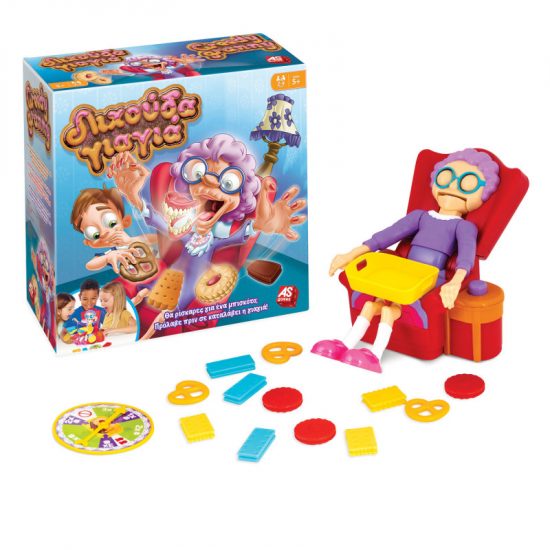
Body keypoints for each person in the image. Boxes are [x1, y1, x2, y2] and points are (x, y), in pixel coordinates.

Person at [312, 148, 500, 372]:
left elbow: (466, 258)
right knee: (372, 305)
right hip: (401, 272)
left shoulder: (464, 226)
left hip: (430, 278)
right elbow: (387, 236)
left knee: (389, 308)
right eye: (446, 177)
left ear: (483, 193)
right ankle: (344, 344)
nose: (452, 186)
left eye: (467, 183)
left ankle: (374, 355)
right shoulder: (420, 216)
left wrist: (455, 282)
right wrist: (352, 253)